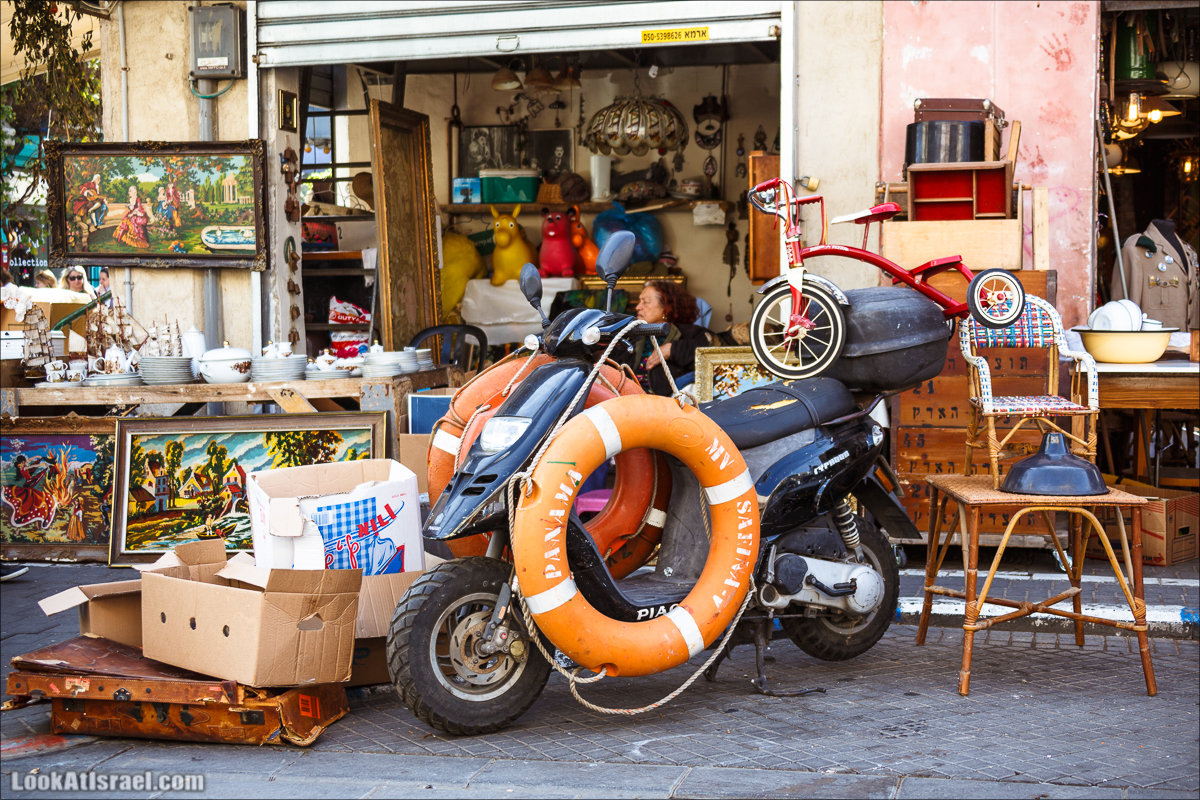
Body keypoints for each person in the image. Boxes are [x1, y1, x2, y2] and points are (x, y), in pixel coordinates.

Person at [624, 280, 711, 396]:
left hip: (667, 407)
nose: (638, 307)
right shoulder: (633, 336)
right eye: (639, 301)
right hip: (627, 402)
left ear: (666, 307)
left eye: (645, 302)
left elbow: (711, 356)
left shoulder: (691, 334)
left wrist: (673, 349)